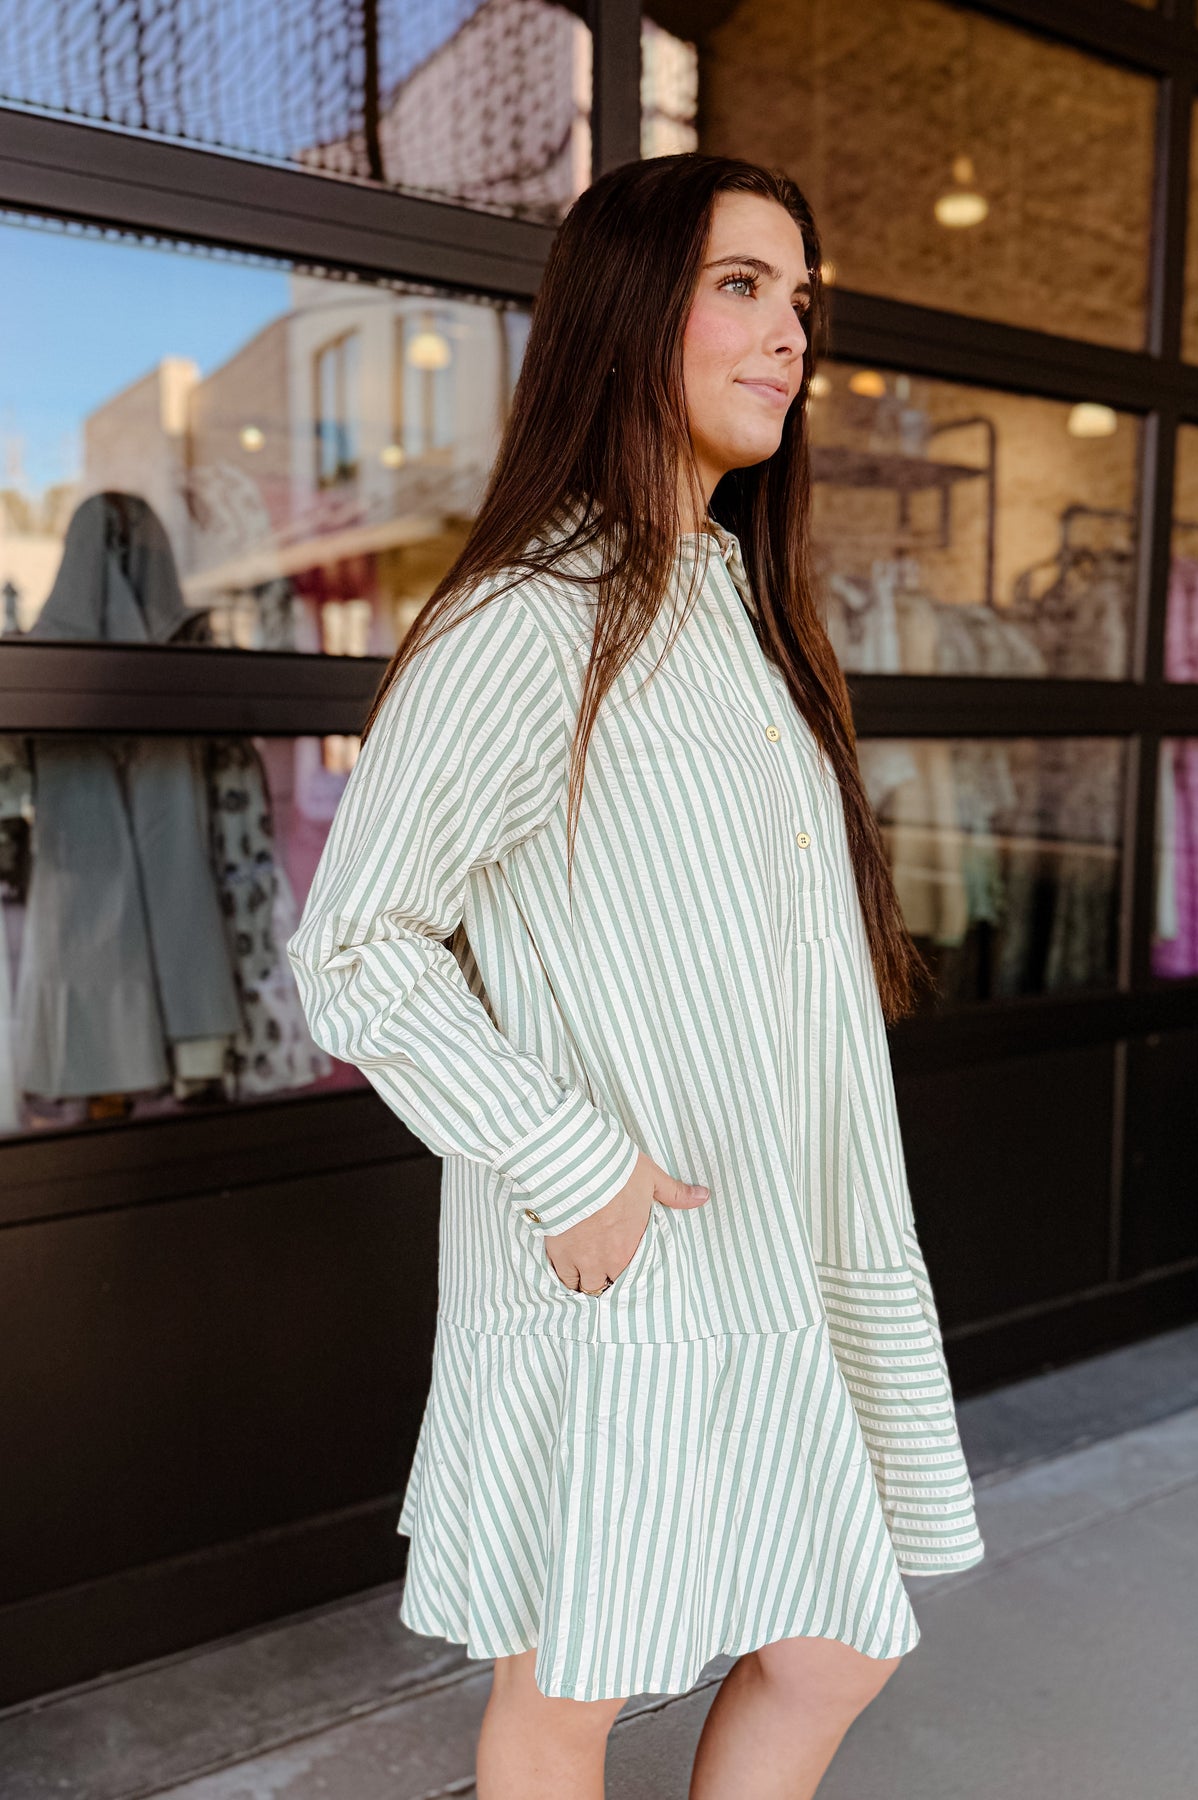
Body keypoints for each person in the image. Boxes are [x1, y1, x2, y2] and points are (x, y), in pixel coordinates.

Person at [287, 150, 985, 1800]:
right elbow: (357, 943)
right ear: (625, 313)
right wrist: (562, 1157)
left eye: (798, 298)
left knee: (833, 1640)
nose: (789, 333)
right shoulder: (524, 620)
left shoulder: (739, 607)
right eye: (740, 286)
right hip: (630, 1266)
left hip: (788, 1234)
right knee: (574, 1680)